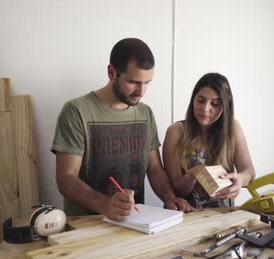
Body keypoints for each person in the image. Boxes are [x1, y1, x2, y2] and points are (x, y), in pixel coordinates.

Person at [51, 38, 193, 221]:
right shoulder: (76, 111)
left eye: (147, 82)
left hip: (133, 223)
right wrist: (105, 205)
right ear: (112, 72)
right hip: (87, 227)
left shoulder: (145, 113)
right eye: (133, 82)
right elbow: (66, 178)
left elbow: (155, 168)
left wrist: (169, 197)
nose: (141, 92)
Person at [163, 73, 255, 209]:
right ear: (193, 100)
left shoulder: (232, 128)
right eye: (200, 100)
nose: (206, 108)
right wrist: (195, 172)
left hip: (222, 216)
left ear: (225, 106)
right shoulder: (176, 131)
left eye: (215, 103)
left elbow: (250, 173)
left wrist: (240, 179)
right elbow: (177, 190)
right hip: (186, 216)